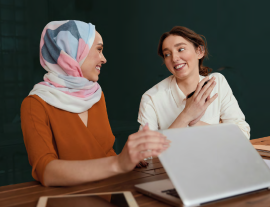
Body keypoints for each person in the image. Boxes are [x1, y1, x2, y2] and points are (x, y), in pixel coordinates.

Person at [20, 20, 170, 187]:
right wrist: (118, 163)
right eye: (99, 49)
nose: (104, 59)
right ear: (74, 51)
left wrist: (127, 159)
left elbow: (104, 152)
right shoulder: (35, 104)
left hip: (109, 190)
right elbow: (46, 172)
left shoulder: (95, 95)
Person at [138, 26, 250, 139]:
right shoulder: (151, 99)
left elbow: (243, 134)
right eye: (167, 54)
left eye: (181, 49)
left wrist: (196, 123)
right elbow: (146, 154)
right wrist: (186, 115)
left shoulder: (217, 83)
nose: (174, 58)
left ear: (200, 51)